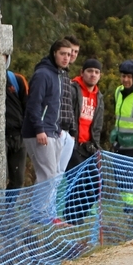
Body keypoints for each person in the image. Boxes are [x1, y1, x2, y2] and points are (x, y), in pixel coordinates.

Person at [22, 38, 73, 226]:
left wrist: (58, 128)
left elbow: (56, 106)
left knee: (50, 175)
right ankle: (39, 215)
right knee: (49, 174)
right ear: (54, 53)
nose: (66, 58)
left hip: (53, 130)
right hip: (39, 132)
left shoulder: (59, 75)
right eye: (62, 54)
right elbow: (34, 104)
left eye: (69, 54)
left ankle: (43, 213)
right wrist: (39, 129)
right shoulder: (43, 74)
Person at [64, 58, 104, 225]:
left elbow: (97, 125)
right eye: (90, 71)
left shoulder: (99, 96)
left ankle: (77, 217)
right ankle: (70, 219)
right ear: (82, 73)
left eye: (96, 72)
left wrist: (96, 145)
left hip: (90, 147)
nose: (93, 75)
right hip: (73, 144)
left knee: (96, 184)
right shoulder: (73, 89)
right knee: (76, 183)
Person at [4, 54, 29, 190]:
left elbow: (28, 106)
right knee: (0, 178)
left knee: (18, 180)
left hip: (18, 135)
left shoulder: (17, 80)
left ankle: (9, 210)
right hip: (0, 136)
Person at [57, 35, 80, 175]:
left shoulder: (66, 74)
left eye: (76, 52)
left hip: (67, 132)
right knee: (51, 175)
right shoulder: (55, 72)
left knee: (59, 175)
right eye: (70, 51)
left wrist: (72, 131)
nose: (72, 55)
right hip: (55, 130)